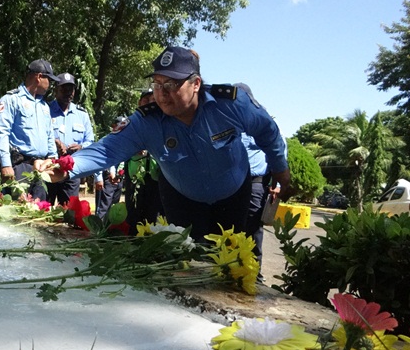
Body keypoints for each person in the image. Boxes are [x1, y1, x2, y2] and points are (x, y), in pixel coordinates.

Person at [37, 46, 292, 241]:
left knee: (228, 263)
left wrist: (281, 170)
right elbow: (108, 149)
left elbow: (267, 131)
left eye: (171, 84)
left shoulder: (230, 104)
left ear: (196, 84)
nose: (162, 93)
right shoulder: (147, 122)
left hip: (233, 195)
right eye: (157, 84)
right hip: (182, 199)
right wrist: (66, 167)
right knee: (184, 262)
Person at [0, 59, 60, 201]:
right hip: (19, 167)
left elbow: (49, 136)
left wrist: (53, 160)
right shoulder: (11, 100)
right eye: (49, 80)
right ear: (39, 77)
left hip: (41, 168)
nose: (50, 84)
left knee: (39, 209)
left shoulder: (44, 106)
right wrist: (6, 164)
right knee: (17, 209)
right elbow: (2, 133)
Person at [235, 83, 283, 268]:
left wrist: (278, 185)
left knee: (253, 228)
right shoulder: (228, 120)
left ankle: (254, 274)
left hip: (255, 183)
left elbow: (279, 151)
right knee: (231, 228)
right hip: (231, 184)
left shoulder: (262, 119)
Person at [46, 73, 95, 205]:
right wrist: (54, 142)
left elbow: (90, 141)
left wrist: (81, 147)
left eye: (71, 89)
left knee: (69, 210)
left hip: (71, 169)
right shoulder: (46, 110)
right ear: (56, 90)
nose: (68, 93)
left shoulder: (82, 114)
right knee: (44, 207)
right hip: (49, 167)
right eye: (64, 89)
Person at [123, 89, 164, 235]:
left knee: (153, 213)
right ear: (139, 103)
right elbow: (121, 146)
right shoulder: (130, 122)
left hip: (155, 176)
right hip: (135, 176)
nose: (149, 104)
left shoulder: (163, 122)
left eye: (153, 100)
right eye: (146, 100)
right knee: (133, 213)